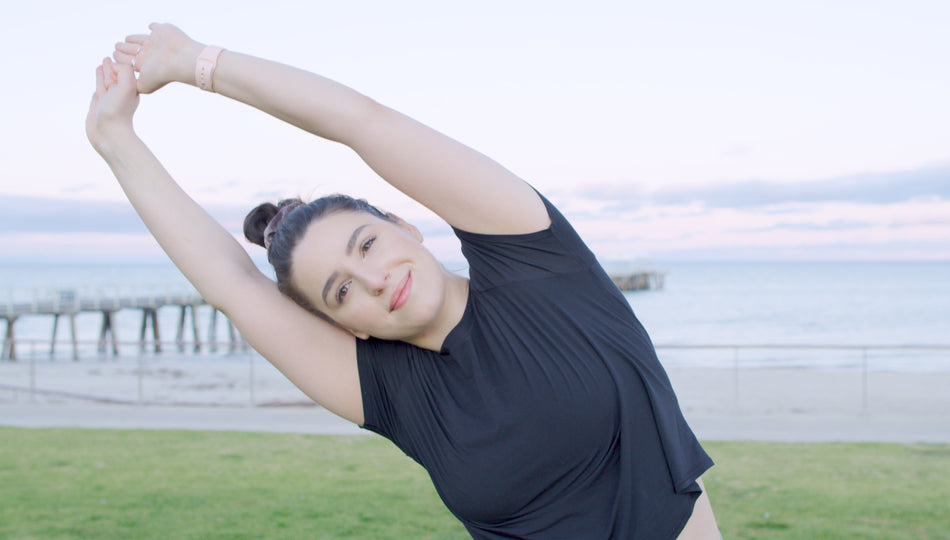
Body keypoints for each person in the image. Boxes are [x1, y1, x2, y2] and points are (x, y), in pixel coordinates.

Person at [86, 23, 720, 539]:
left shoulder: (538, 261)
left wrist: (197, 61)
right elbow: (234, 286)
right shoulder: (392, 392)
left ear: (403, 225)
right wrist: (115, 138)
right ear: (341, 324)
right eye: (339, 290)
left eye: (366, 243)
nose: (370, 277)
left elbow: (365, 122)